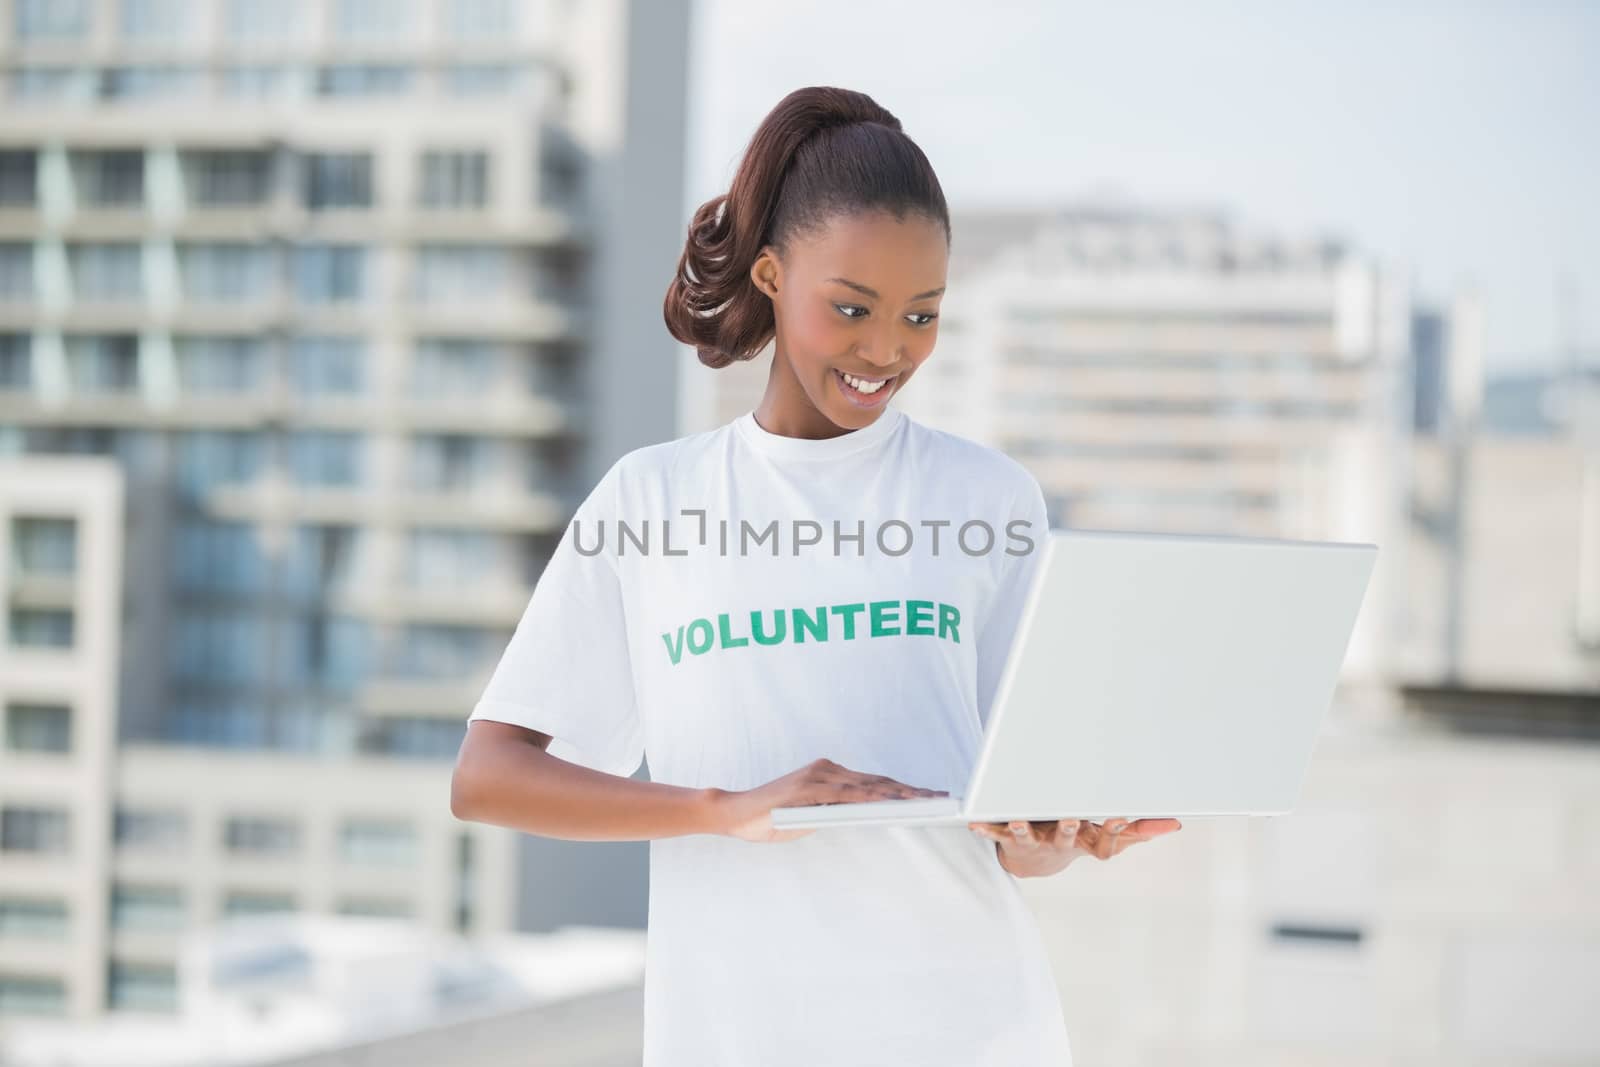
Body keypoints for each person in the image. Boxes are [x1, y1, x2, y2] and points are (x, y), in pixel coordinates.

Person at [450, 85, 1181, 1066]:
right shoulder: (651, 501)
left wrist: (1056, 830)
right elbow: (490, 776)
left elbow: (1016, 834)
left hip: (975, 1028)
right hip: (735, 1036)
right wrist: (722, 808)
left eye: (922, 315)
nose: (886, 350)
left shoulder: (988, 497)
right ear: (769, 271)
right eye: (851, 307)